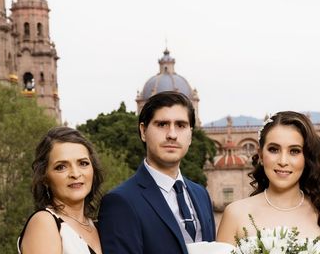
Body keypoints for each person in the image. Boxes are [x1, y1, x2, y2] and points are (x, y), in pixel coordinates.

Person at [98, 91, 216, 253]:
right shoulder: (120, 202)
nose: (172, 135)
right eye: (162, 124)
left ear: (190, 135)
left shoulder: (201, 194)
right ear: (143, 131)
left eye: (180, 125)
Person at [217, 111, 320, 253]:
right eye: (274, 149)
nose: (283, 161)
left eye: (294, 151)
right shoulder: (235, 214)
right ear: (261, 155)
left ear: (306, 158)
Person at [18, 126, 104, 254]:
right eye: (61, 167)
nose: (75, 174)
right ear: (44, 177)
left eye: (83, 163)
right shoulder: (44, 222)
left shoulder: (98, 225)